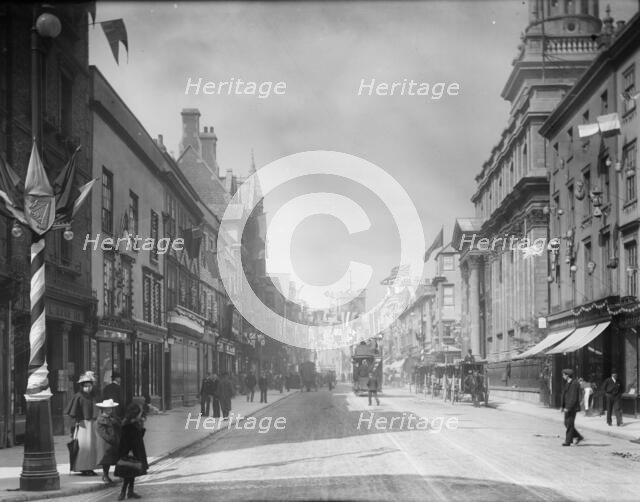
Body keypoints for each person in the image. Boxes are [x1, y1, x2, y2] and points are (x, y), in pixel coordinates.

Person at [65, 372, 98, 476]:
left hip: (92, 424)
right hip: (82, 424)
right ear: (82, 387)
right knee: (84, 447)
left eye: (90, 386)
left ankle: (90, 467)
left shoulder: (92, 396)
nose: (88, 388)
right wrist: (75, 425)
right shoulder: (78, 396)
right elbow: (72, 412)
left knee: (92, 447)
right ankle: (84, 468)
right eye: (86, 386)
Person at [117, 403, 148, 500]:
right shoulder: (128, 426)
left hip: (135, 451)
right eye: (140, 413)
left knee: (132, 472)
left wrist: (142, 426)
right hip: (130, 452)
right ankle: (123, 492)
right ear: (135, 414)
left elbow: (139, 437)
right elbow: (126, 441)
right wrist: (129, 452)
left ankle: (130, 491)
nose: (141, 415)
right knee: (129, 473)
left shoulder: (133, 423)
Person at [95, 398, 121, 484]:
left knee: (114, 459)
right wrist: (110, 439)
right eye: (107, 409)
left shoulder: (114, 417)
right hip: (105, 443)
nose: (109, 410)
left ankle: (118, 474)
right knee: (106, 460)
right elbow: (102, 433)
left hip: (114, 442)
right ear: (103, 409)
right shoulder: (101, 419)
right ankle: (105, 475)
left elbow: (119, 426)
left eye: (110, 408)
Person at [560, 369, 584, 446]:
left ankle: (568, 441)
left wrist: (568, 407)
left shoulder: (574, 383)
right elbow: (565, 395)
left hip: (572, 407)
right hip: (567, 406)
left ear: (567, 375)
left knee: (569, 423)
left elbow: (573, 397)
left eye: (563, 375)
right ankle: (578, 436)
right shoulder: (568, 382)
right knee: (566, 423)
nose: (562, 376)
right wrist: (562, 406)